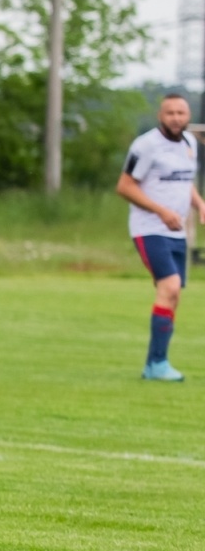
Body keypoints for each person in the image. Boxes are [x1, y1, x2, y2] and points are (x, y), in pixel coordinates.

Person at [116, 93, 203, 381]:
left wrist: (199, 204)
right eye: (170, 113)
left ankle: (156, 364)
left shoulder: (190, 143)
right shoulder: (146, 146)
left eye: (181, 113)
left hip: (177, 232)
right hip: (149, 228)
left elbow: (185, 181)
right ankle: (156, 365)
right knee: (171, 286)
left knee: (172, 295)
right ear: (160, 116)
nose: (176, 118)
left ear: (187, 115)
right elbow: (125, 186)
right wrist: (160, 211)